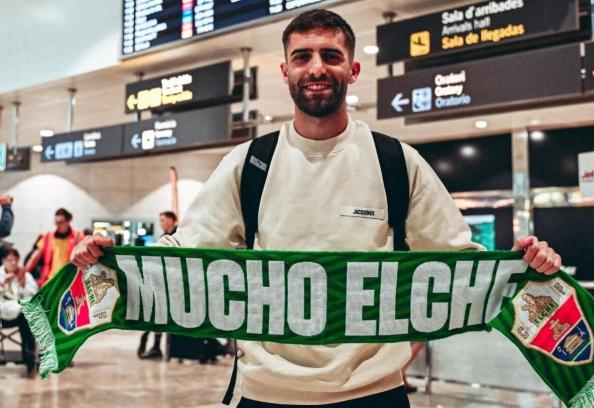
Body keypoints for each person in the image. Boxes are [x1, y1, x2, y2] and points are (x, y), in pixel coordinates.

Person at [71, 9, 562, 407]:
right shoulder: (250, 162)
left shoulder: (396, 161)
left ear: (353, 68)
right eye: (302, 56)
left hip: (375, 394)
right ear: (284, 70)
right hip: (267, 394)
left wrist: (526, 265)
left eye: (331, 54)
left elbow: (459, 259)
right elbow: (187, 250)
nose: (316, 67)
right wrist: (108, 256)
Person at [138, 211, 179, 359]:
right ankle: (155, 346)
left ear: (171, 220)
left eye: (163, 220)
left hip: (173, 283)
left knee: (161, 316)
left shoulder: (179, 236)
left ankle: (156, 346)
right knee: (157, 315)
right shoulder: (163, 238)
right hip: (161, 282)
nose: (161, 222)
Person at [0, 248, 38, 376]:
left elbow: (34, 295)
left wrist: (23, 285)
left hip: (18, 313)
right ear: (4, 261)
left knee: (28, 316)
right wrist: (4, 283)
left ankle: (29, 357)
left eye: (15, 260)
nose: (13, 263)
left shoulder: (25, 275)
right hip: (1, 312)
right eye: (10, 260)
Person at [25, 208, 84, 286]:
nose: (58, 225)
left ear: (68, 221)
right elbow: (35, 257)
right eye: (56, 222)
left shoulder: (78, 237)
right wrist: (24, 272)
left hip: (70, 281)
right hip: (50, 280)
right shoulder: (47, 237)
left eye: (61, 222)